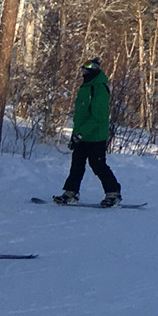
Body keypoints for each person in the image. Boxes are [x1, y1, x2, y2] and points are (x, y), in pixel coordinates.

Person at [53, 57, 122, 206]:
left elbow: (98, 116)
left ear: (93, 71)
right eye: (82, 71)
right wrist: (75, 135)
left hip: (96, 136)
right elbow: (81, 115)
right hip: (83, 135)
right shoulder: (85, 88)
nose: (83, 74)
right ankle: (71, 192)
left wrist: (81, 132)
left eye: (86, 71)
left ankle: (113, 192)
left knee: (98, 165)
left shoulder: (99, 88)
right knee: (76, 164)